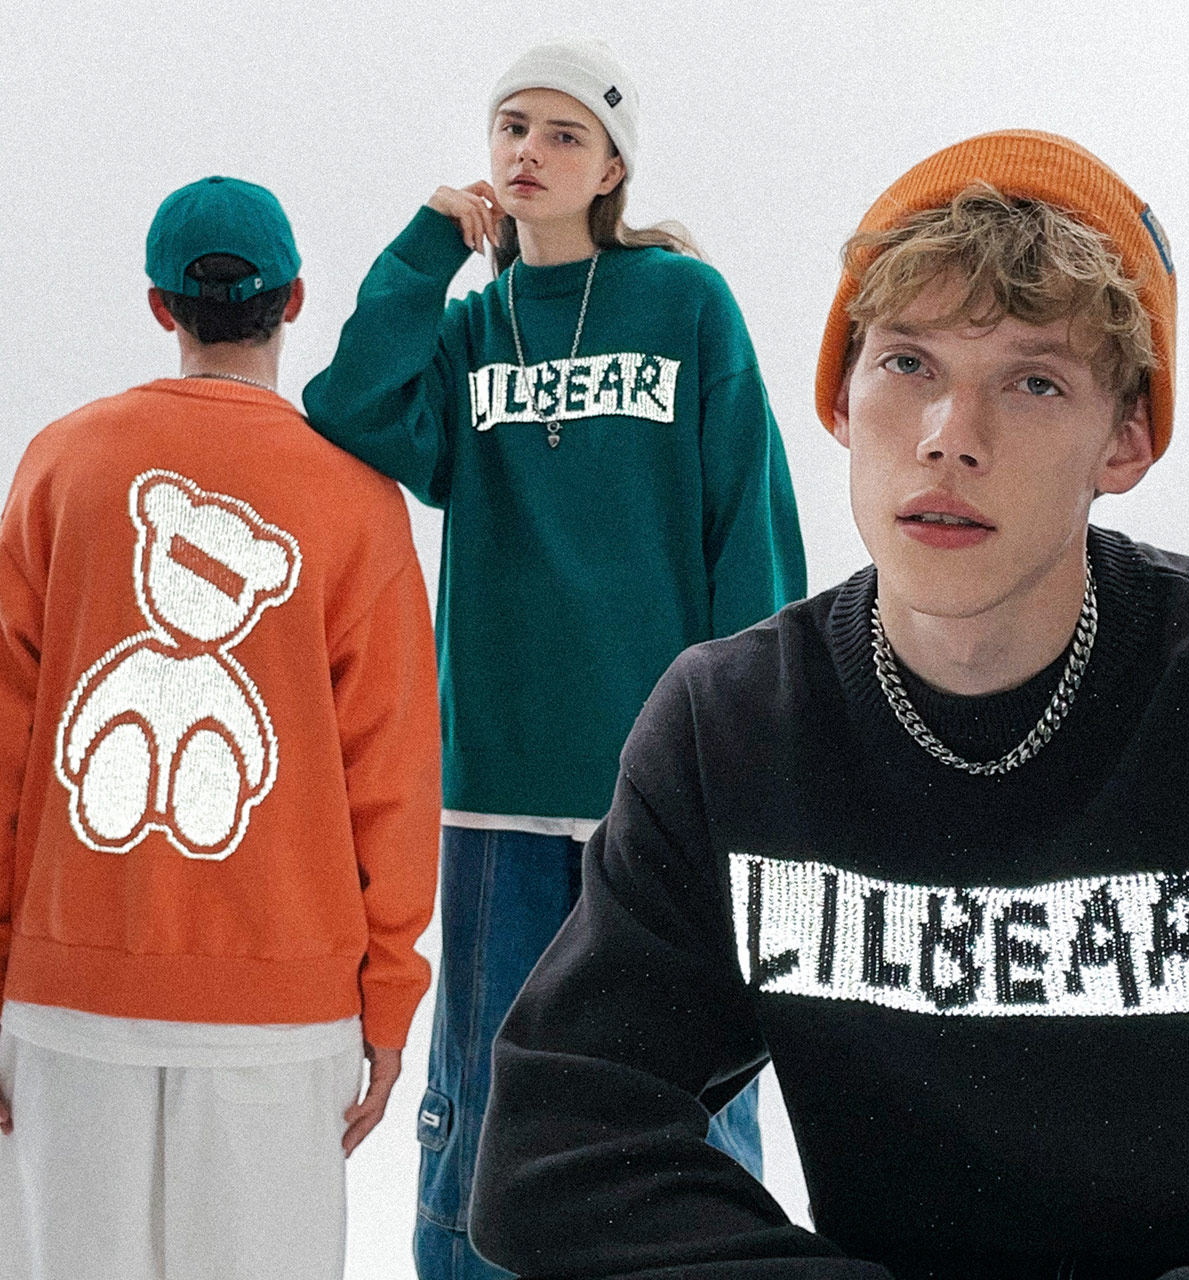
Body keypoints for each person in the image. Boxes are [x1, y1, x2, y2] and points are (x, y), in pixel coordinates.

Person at [468, 130, 1189, 1280]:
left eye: (1033, 380)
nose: (950, 437)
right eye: (907, 363)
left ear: (1126, 436)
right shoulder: (731, 726)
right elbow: (556, 1146)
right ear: (839, 400)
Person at [303, 37, 805, 1279]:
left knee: (688, 1080)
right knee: (486, 1087)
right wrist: (426, 247)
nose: (527, 151)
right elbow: (350, 407)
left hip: (663, 785)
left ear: (611, 168)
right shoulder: (470, 330)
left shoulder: (685, 305)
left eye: (562, 133)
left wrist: (751, 739)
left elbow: (747, 521)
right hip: (498, 778)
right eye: (511, 127)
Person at [0, 176, 441, 1280]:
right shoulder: (356, 498)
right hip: (281, 1010)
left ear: (160, 306)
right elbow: (393, 773)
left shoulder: (59, 465)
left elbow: (7, 741)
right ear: (294, 300)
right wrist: (390, 995)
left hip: (68, 998)